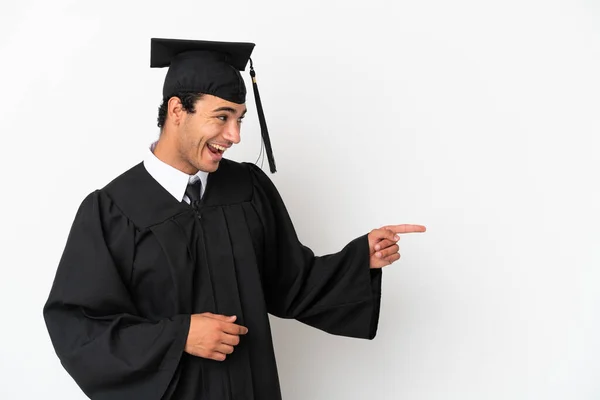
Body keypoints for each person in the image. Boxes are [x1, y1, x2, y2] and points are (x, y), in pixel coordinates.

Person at [43, 38, 426, 400]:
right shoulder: (113, 209)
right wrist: (181, 336)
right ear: (178, 111)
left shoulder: (247, 189)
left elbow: (291, 282)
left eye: (240, 118)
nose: (235, 135)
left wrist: (362, 259)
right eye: (222, 117)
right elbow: (80, 328)